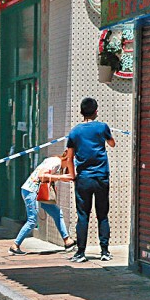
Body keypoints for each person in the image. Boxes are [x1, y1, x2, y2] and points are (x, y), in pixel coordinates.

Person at [64, 97, 115, 263]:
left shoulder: (75, 132)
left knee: (83, 215)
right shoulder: (102, 127)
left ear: (81, 112)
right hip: (101, 177)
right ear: (96, 111)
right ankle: (105, 251)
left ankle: (80, 252)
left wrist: (72, 175)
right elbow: (112, 143)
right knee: (103, 215)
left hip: (83, 178)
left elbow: (69, 158)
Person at [10, 154, 76, 255]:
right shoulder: (55, 162)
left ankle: (67, 241)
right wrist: (60, 177)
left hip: (39, 192)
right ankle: (15, 245)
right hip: (31, 190)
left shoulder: (56, 162)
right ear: (67, 159)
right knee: (32, 220)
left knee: (57, 213)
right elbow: (42, 176)